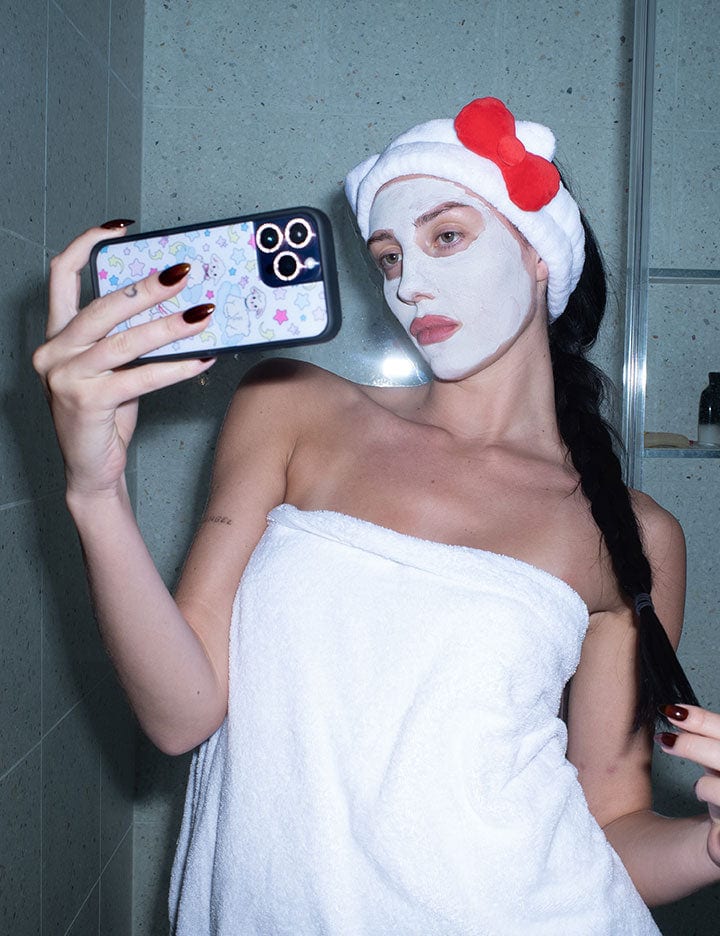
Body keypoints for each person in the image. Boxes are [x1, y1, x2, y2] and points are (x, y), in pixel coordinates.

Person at [33, 96, 720, 934]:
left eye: (446, 237)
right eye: (388, 257)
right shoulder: (291, 406)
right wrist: (94, 490)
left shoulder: (637, 535)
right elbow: (180, 717)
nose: (408, 283)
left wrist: (709, 848)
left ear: (540, 253)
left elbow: (610, 824)